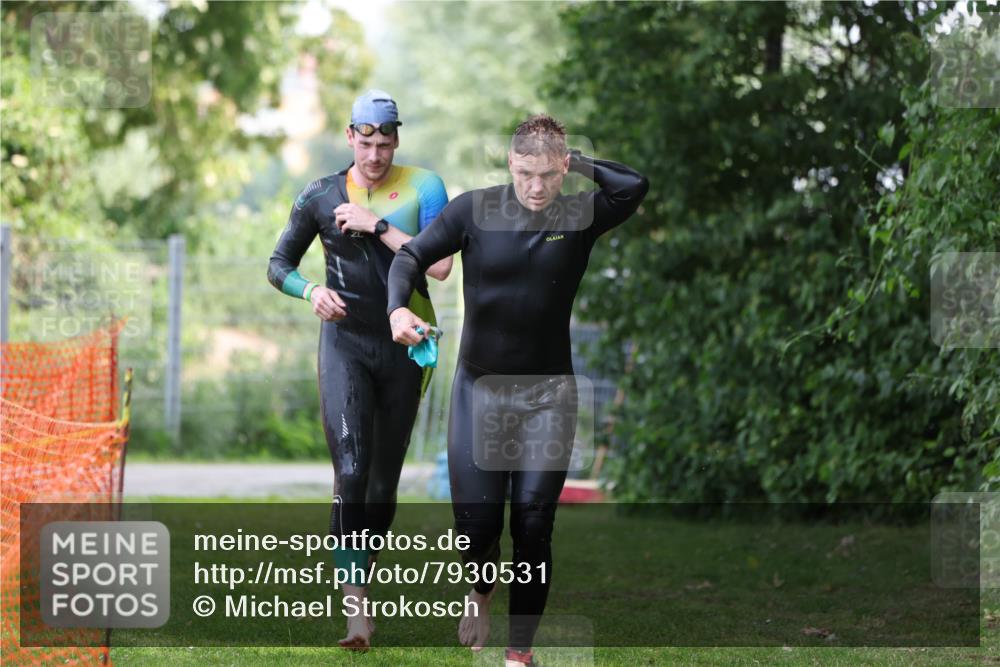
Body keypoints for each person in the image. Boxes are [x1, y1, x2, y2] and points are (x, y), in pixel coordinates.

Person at [386, 114, 648, 666]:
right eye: (526, 172)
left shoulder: (578, 215)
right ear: (510, 163)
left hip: (549, 396)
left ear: (564, 169)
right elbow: (410, 256)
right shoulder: (473, 211)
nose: (536, 186)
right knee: (477, 526)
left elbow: (633, 187)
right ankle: (479, 589)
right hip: (480, 391)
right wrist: (397, 310)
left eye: (549, 175)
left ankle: (517, 654)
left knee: (533, 522)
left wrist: (578, 164)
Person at [267, 89, 453, 650]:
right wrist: (310, 291)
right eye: (365, 141)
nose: (375, 153)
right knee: (350, 470)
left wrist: (376, 226)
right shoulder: (321, 194)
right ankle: (356, 614)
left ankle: (361, 578)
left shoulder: (424, 185)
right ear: (350, 137)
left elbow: (439, 265)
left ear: (397, 139)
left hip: (405, 344)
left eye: (385, 142)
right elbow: (278, 265)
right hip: (344, 344)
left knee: (381, 485)